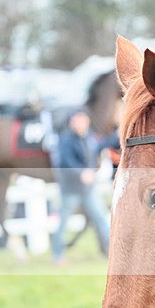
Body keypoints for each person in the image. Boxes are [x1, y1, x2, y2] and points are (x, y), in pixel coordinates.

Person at [51, 107, 110, 264]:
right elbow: (64, 162)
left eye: (83, 120)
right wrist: (81, 173)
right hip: (70, 190)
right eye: (77, 120)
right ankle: (57, 255)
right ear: (72, 122)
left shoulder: (89, 138)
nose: (80, 123)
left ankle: (112, 253)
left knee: (101, 219)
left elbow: (94, 154)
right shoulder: (65, 140)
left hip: (88, 189)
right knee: (63, 222)